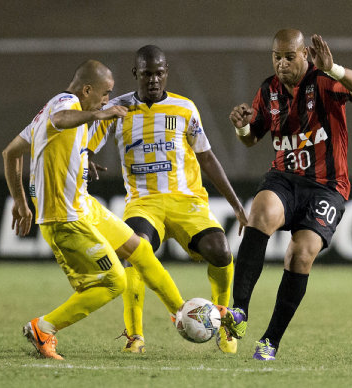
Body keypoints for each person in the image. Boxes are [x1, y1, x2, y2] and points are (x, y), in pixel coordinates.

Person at [2, 59, 185, 360]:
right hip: (66, 218)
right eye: (104, 94)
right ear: (87, 90)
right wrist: (100, 113)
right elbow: (62, 120)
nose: (108, 100)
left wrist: (22, 203)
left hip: (84, 205)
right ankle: (43, 328)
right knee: (115, 281)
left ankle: (181, 311)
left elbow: (10, 153)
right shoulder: (65, 104)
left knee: (139, 250)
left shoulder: (44, 114)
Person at [87, 45, 248, 354]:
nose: (153, 80)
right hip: (143, 203)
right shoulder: (117, 110)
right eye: (147, 73)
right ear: (136, 73)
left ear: (166, 73)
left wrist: (238, 207)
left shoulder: (185, 108)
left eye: (159, 73)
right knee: (136, 250)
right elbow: (85, 147)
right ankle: (135, 336)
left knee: (221, 251)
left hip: (187, 202)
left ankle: (224, 325)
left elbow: (208, 157)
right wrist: (85, 159)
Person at [224, 29, 352, 360]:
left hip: (327, 185)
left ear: (305, 54)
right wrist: (242, 127)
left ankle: (270, 341)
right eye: (276, 57)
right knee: (259, 216)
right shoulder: (269, 90)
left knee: (300, 254)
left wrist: (334, 69)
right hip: (284, 179)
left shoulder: (324, 81)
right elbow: (252, 138)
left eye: (289, 57)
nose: (281, 63)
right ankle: (239, 311)